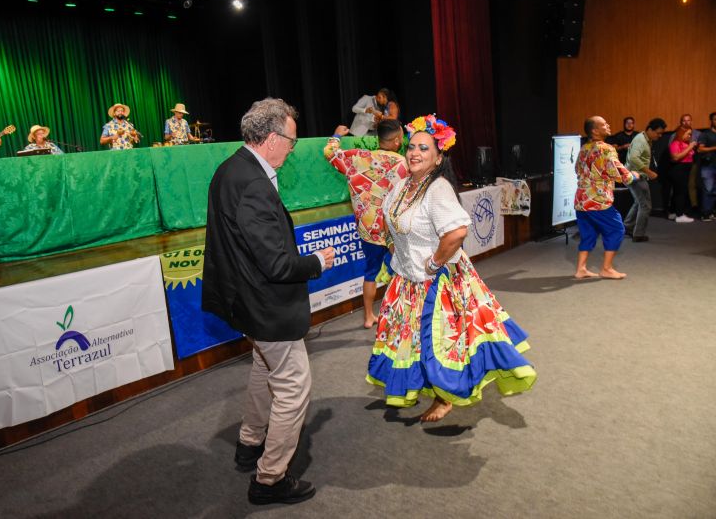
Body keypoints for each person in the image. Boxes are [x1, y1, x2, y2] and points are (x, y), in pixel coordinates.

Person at [202, 98, 335, 506]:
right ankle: (269, 478)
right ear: (273, 138)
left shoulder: (230, 168)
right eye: (292, 143)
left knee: (264, 369)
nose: (292, 152)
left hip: (245, 301)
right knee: (294, 388)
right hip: (265, 303)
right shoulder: (254, 184)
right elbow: (276, 264)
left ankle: (248, 444)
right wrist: (316, 262)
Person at [367, 114, 536, 423]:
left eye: (424, 148)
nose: (415, 153)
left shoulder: (438, 188)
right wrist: (396, 251)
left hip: (437, 283)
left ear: (438, 156)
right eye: (412, 147)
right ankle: (426, 388)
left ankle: (445, 398)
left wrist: (433, 263)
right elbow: (388, 220)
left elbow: (457, 233)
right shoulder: (404, 184)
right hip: (408, 280)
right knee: (413, 341)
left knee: (442, 342)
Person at [323, 119, 408, 328]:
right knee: (401, 272)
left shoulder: (357, 158)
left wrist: (336, 135)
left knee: (370, 272)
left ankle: (369, 316)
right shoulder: (402, 164)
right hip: (392, 230)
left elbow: (330, 153)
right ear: (397, 140)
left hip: (367, 229)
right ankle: (399, 315)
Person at [573, 116, 639, 279]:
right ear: (595, 130)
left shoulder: (584, 148)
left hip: (581, 200)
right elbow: (618, 172)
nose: (608, 125)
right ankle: (607, 268)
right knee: (617, 229)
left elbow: (577, 169)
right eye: (604, 124)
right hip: (598, 201)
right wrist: (634, 175)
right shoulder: (606, 148)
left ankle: (581, 269)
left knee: (588, 233)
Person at [623, 118, 665, 242]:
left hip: (632, 175)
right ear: (650, 129)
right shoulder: (641, 140)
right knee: (646, 205)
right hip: (636, 177)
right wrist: (649, 172)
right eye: (658, 132)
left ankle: (627, 227)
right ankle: (638, 234)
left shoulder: (644, 138)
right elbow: (634, 159)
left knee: (638, 202)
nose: (660, 135)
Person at [669, 126, 698, 223]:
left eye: (691, 134)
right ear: (681, 134)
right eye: (688, 134)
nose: (690, 136)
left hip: (685, 170)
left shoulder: (686, 143)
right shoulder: (675, 143)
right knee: (680, 193)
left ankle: (674, 212)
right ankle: (679, 215)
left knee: (679, 192)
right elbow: (676, 157)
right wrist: (690, 147)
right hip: (679, 170)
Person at [697, 112, 716, 221]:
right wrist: (714, 148)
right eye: (715, 119)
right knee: (708, 189)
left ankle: (711, 212)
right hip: (708, 166)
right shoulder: (705, 134)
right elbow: (700, 149)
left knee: (714, 191)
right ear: (711, 121)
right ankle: (705, 213)